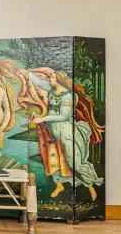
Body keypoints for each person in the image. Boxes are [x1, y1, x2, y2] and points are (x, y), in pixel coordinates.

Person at [26, 69, 105, 200]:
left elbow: (64, 116)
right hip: (53, 131)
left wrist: (43, 119)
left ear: (59, 80)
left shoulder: (67, 96)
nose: (49, 79)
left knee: (74, 162)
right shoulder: (52, 91)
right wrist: (25, 73)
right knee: (54, 159)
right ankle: (59, 185)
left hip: (66, 132)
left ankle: (90, 186)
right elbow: (39, 83)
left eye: (52, 77)